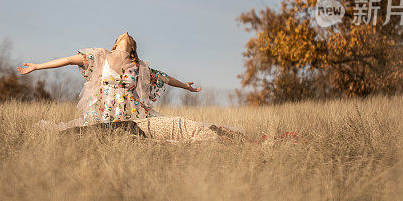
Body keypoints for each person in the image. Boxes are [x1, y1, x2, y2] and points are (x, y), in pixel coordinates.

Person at [17, 31, 247, 143]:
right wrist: (37, 66)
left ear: (133, 48)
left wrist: (186, 87)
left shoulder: (139, 66)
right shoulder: (99, 56)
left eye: (130, 37)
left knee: (142, 134)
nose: (126, 33)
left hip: (131, 113)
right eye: (121, 35)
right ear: (116, 43)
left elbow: (164, 77)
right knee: (92, 135)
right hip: (103, 112)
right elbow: (67, 60)